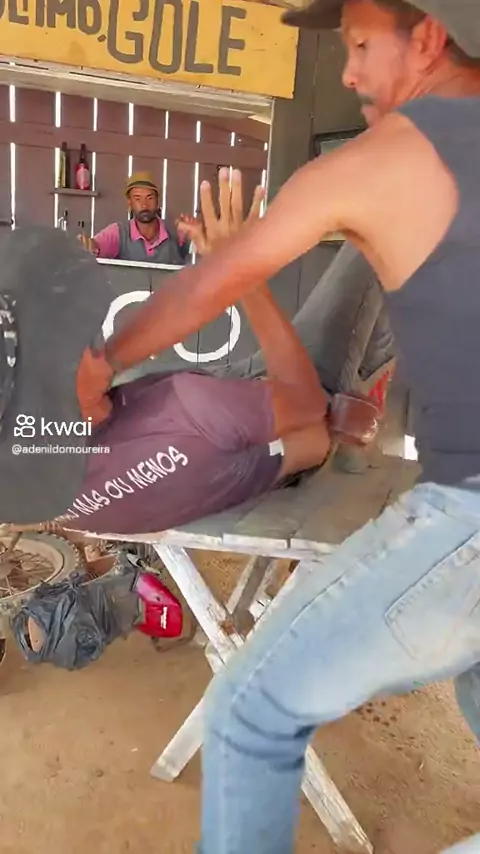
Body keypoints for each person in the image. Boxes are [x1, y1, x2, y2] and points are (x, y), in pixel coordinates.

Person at [74, 1, 480, 852]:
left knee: (251, 710)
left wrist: (105, 361)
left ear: (429, 37)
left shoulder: (389, 157)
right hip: (303, 417)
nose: (348, 72)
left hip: (445, 494)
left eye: (360, 44)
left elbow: (206, 291)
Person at [56, 172, 378, 536]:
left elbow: (130, 347)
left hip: (214, 424)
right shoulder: (187, 408)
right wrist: (245, 274)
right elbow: (312, 421)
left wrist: (227, 266)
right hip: (297, 411)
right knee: (370, 241)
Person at [78, 171, 190, 266]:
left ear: (157, 201)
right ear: (129, 203)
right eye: (137, 199)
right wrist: (89, 246)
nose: (144, 205)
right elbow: (96, 246)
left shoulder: (176, 231)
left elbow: (199, 250)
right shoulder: (119, 232)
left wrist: (196, 231)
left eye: (150, 198)